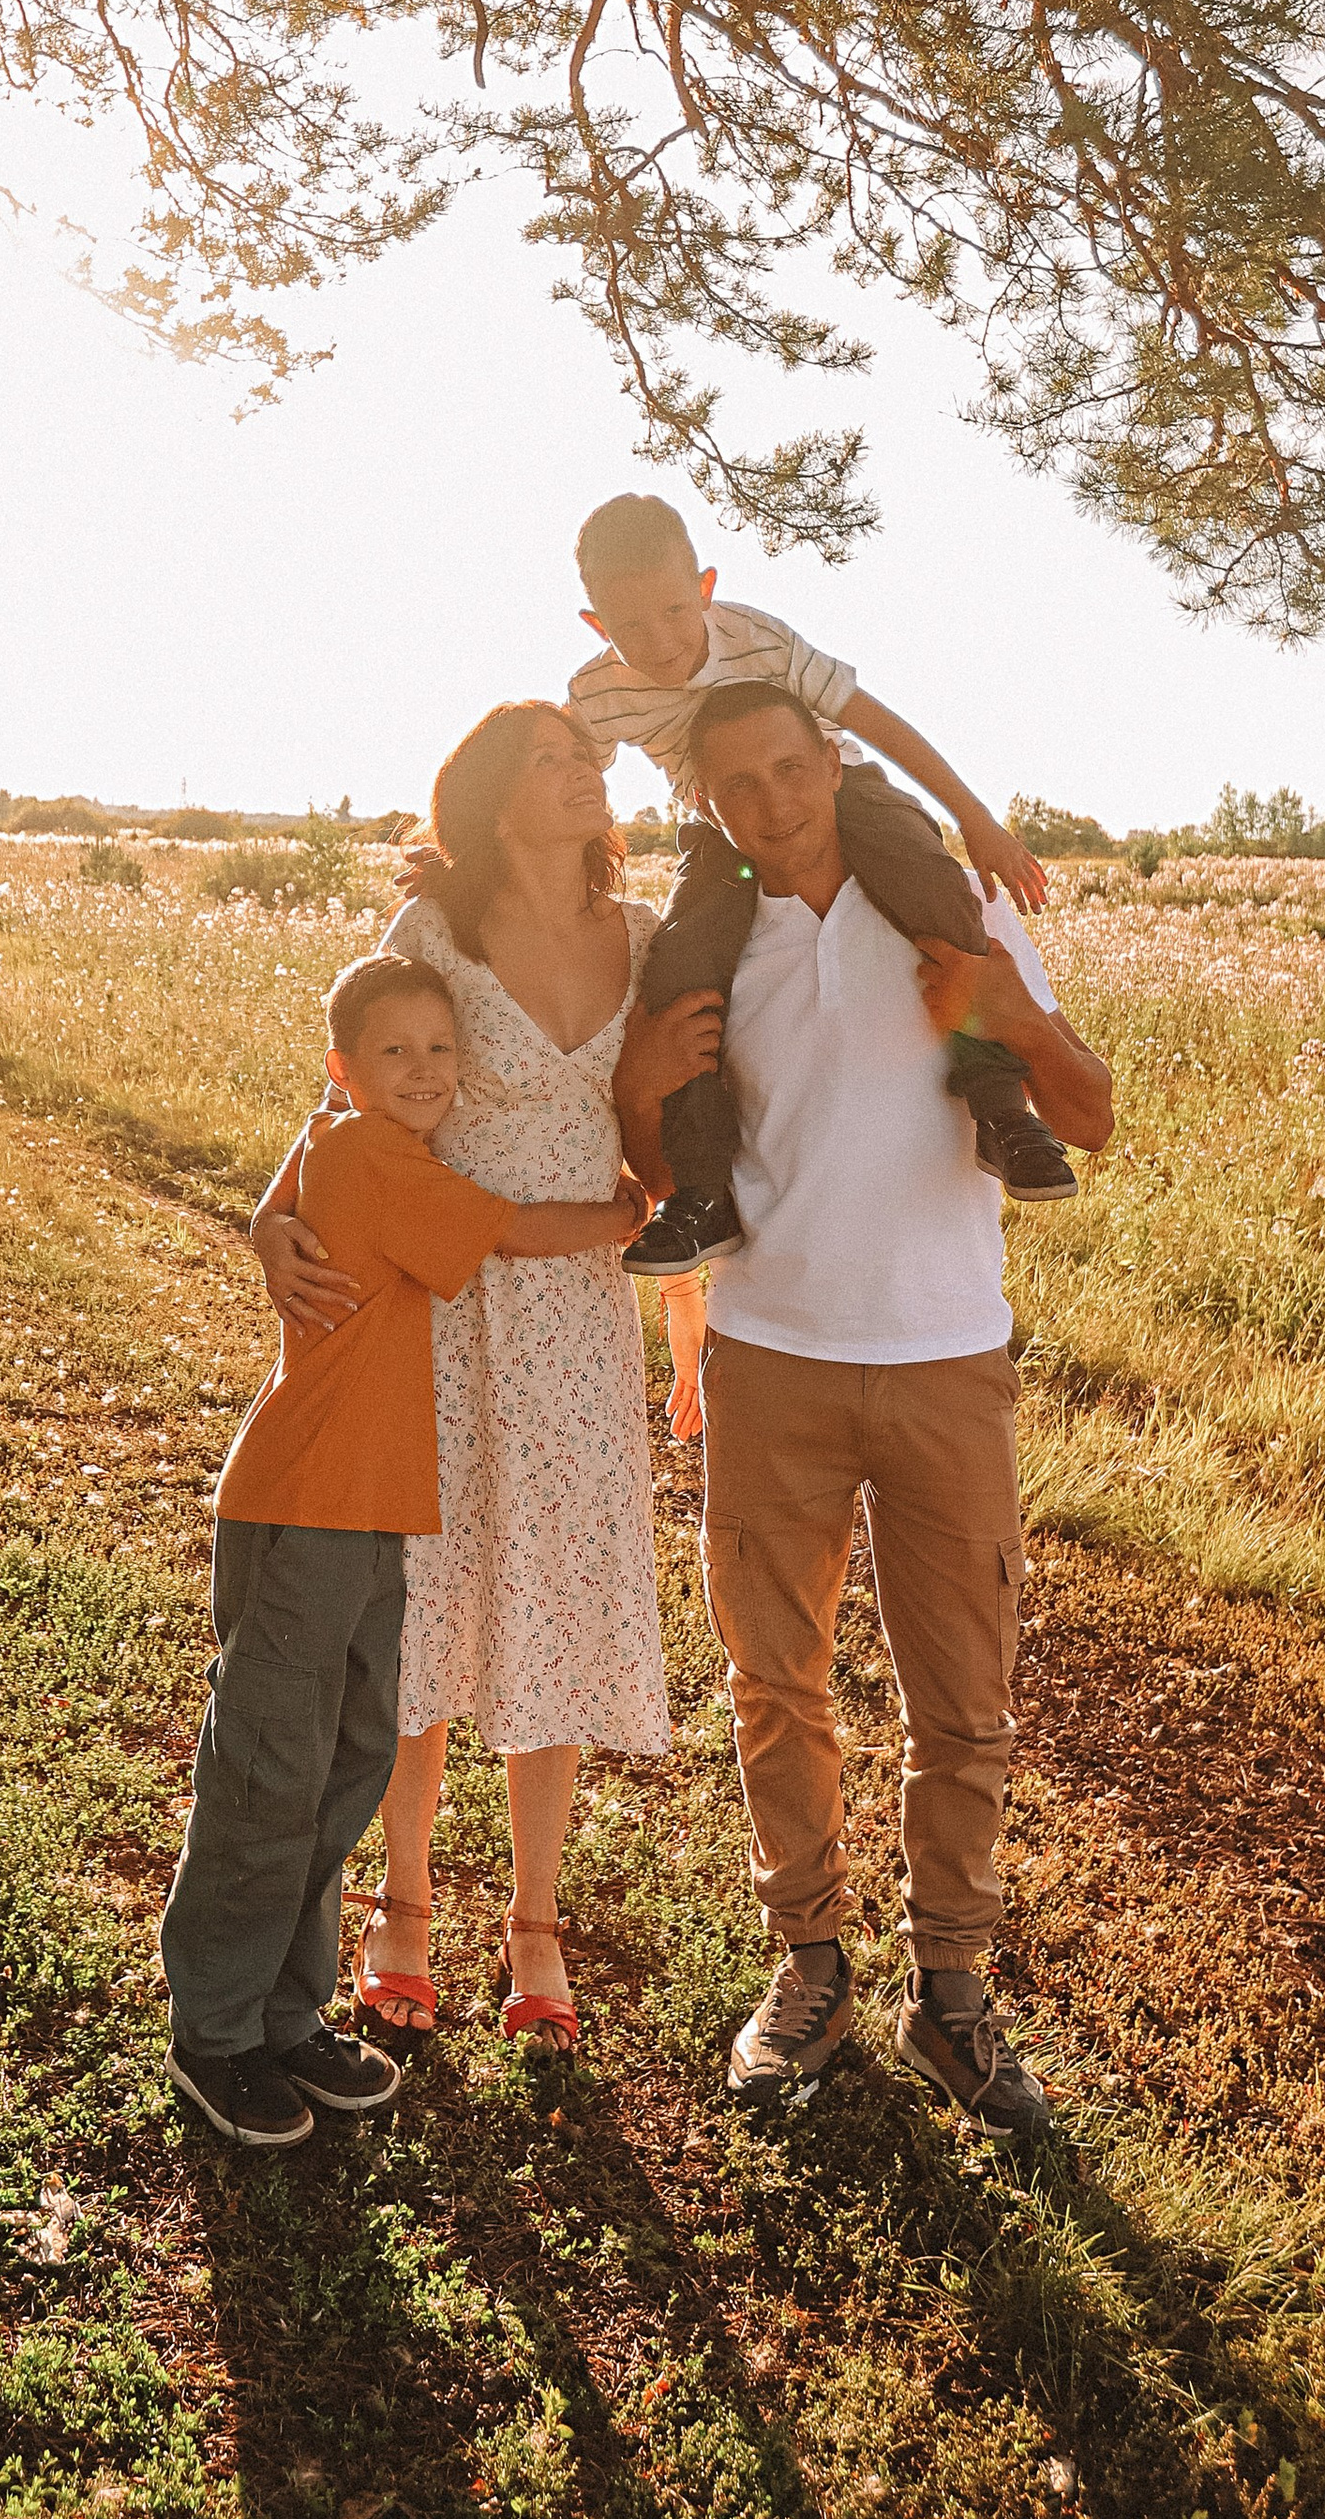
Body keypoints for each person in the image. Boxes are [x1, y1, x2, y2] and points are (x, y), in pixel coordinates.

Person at [611, 678, 1114, 2142]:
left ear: (833, 760)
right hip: (771, 1351)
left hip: (951, 1354)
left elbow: (1087, 1117)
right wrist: (642, 1091)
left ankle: (951, 1993)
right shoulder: (707, 950)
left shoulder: (944, 910)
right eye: (737, 786)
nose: (771, 803)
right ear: (703, 803)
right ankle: (811, 1967)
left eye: (791, 769)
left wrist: (1012, 1012)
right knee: (778, 1685)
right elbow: (656, 1184)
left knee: (966, 1701)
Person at [251, 702, 688, 2055]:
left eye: (590, 760)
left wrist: (695, 1302)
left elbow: (682, 1126)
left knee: (552, 1587)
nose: (586, 777)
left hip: (574, 1305)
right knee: (430, 1595)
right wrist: (272, 1220)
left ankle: (540, 1926)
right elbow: (346, 1095)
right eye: (555, 761)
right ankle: (403, 1907)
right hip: (436, 1297)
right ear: (499, 797)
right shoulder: (433, 940)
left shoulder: (654, 939)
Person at [162, 945, 645, 2148]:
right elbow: (514, 1233)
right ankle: (214, 2034)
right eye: (395, 1053)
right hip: (308, 1503)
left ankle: (287, 2013)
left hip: (378, 1509)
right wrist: (633, 1211)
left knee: (346, 1757)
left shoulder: (390, 1150)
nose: (425, 1070)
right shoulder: (368, 1155)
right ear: (343, 1072)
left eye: (441, 1048)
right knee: (272, 1764)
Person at [565, 489, 1076, 1276]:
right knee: (679, 968)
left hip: (838, 787)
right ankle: (701, 1193)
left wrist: (975, 819)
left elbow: (880, 726)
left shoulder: (763, 641)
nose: (661, 641)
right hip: (717, 824)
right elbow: (563, 781)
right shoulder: (598, 693)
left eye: (674, 610)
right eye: (630, 627)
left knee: (934, 890)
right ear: (597, 625)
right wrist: (479, 857)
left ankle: (1003, 1113)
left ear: (703, 588)